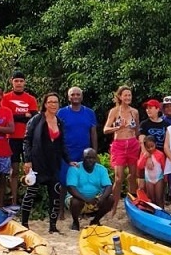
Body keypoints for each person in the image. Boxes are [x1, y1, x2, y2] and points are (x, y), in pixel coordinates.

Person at [21, 92, 73, 233]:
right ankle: (24, 224)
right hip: (38, 162)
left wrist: (69, 160)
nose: (53, 105)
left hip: (53, 164)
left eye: (55, 102)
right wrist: (27, 161)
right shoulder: (36, 120)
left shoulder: (59, 122)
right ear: (45, 104)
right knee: (31, 193)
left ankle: (52, 226)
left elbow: (62, 144)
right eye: (50, 102)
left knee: (55, 195)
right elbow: (27, 140)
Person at [56, 86, 97, 219]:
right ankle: (61, 210)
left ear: (82, 96)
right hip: (66, 151)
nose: (75, 96)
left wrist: (94, 152)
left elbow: (93, 133)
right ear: (68, 97)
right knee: (64, 181)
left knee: (81, 180)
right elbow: (56, 132)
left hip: (84, 152)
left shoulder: (89, 113)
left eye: (78, 94)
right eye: (73, 94)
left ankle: (80, 209)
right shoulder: (61, 113)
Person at [2, 71, 38, 205]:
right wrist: (24, 116)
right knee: (14, 170)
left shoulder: (31, 99)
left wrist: (16, 117)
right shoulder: (5, 98)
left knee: (30, 169)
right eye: (16, 81)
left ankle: (29, 200)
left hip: (28, 138)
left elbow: (34, 117)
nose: (19, 83)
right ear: (12, 81)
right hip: (12, 138)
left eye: (21, 81)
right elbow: (7, 117)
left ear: (24, 82)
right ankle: (14, 200)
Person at [103, 85, 140, 215]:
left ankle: (133, 203)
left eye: (129, 95)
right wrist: (117, 128)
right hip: (119, 144)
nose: (128, 97)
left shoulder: (134, 112)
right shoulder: (114, 111)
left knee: (132, 175)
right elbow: (105, 129)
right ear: (120, 96)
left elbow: (137, 130)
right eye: (125, 95)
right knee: (119, 178)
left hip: (132, 144)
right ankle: (113, 205)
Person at [65, 148, 113, 230]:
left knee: (110, 199)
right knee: (76, 201)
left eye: (93, 158)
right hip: (77, 199)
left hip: (94, 200)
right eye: (87, 157)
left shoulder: (101, 169)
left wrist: (102, 198)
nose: (90, 160)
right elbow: (70, 188)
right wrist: (86, 199)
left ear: (96, 159)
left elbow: (108, 186)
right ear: (82, 158)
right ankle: (75, 222)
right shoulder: (74, 168)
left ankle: (95, 221)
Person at [137, 136, 166, 208]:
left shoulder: (160, 154)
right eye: (148, 147)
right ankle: (152, 213)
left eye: (152, 146)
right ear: (145, 147)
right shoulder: (144, 154)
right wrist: (144, 157)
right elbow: (140, 166)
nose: (150, 149)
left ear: (155, 144)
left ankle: (161, 212)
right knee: (151, 198)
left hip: (159, 178)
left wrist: (165, 178)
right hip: (149, 179)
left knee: (159, 198)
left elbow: (164, 167)